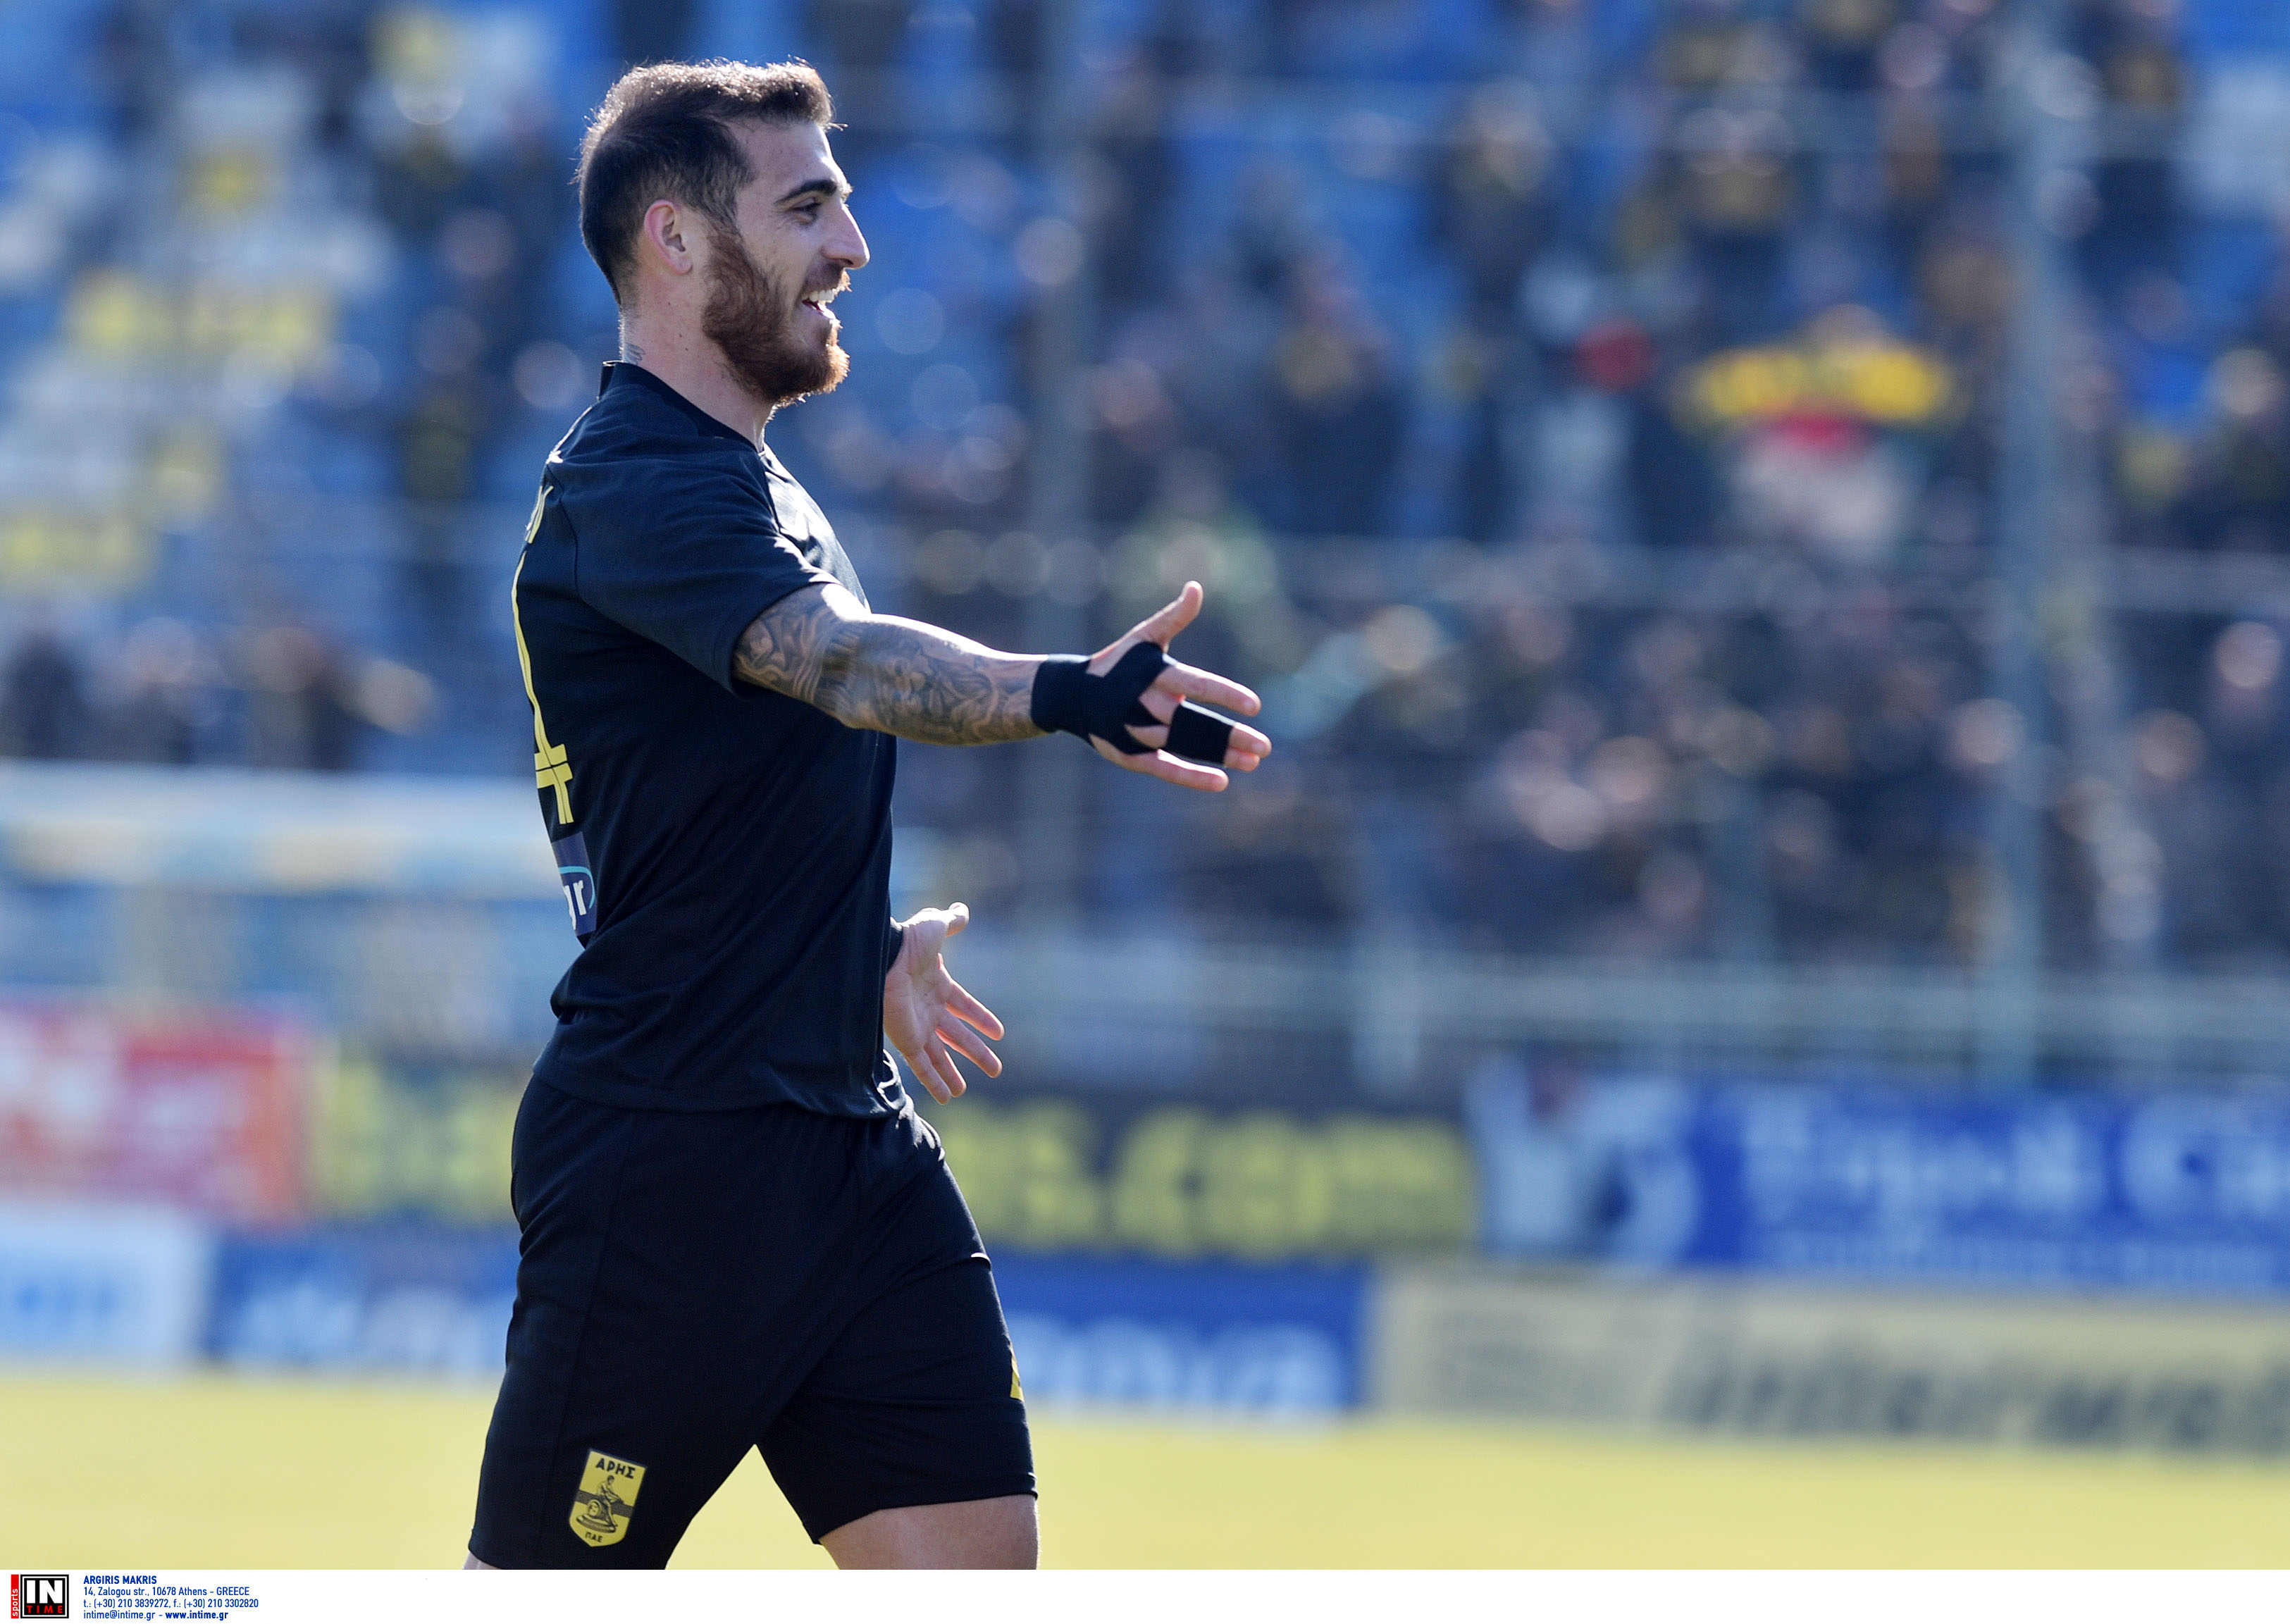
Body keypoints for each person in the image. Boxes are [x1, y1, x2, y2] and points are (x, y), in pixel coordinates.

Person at [467, 60, 1269, 1572]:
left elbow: (715, 800)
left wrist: (850, 950)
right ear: (675, 239)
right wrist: (1064, 692)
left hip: (850, 1144)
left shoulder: (754, 487)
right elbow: (835, 663)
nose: (852, 246)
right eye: (807, 207)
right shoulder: (633, 485)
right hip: (676, 1157)